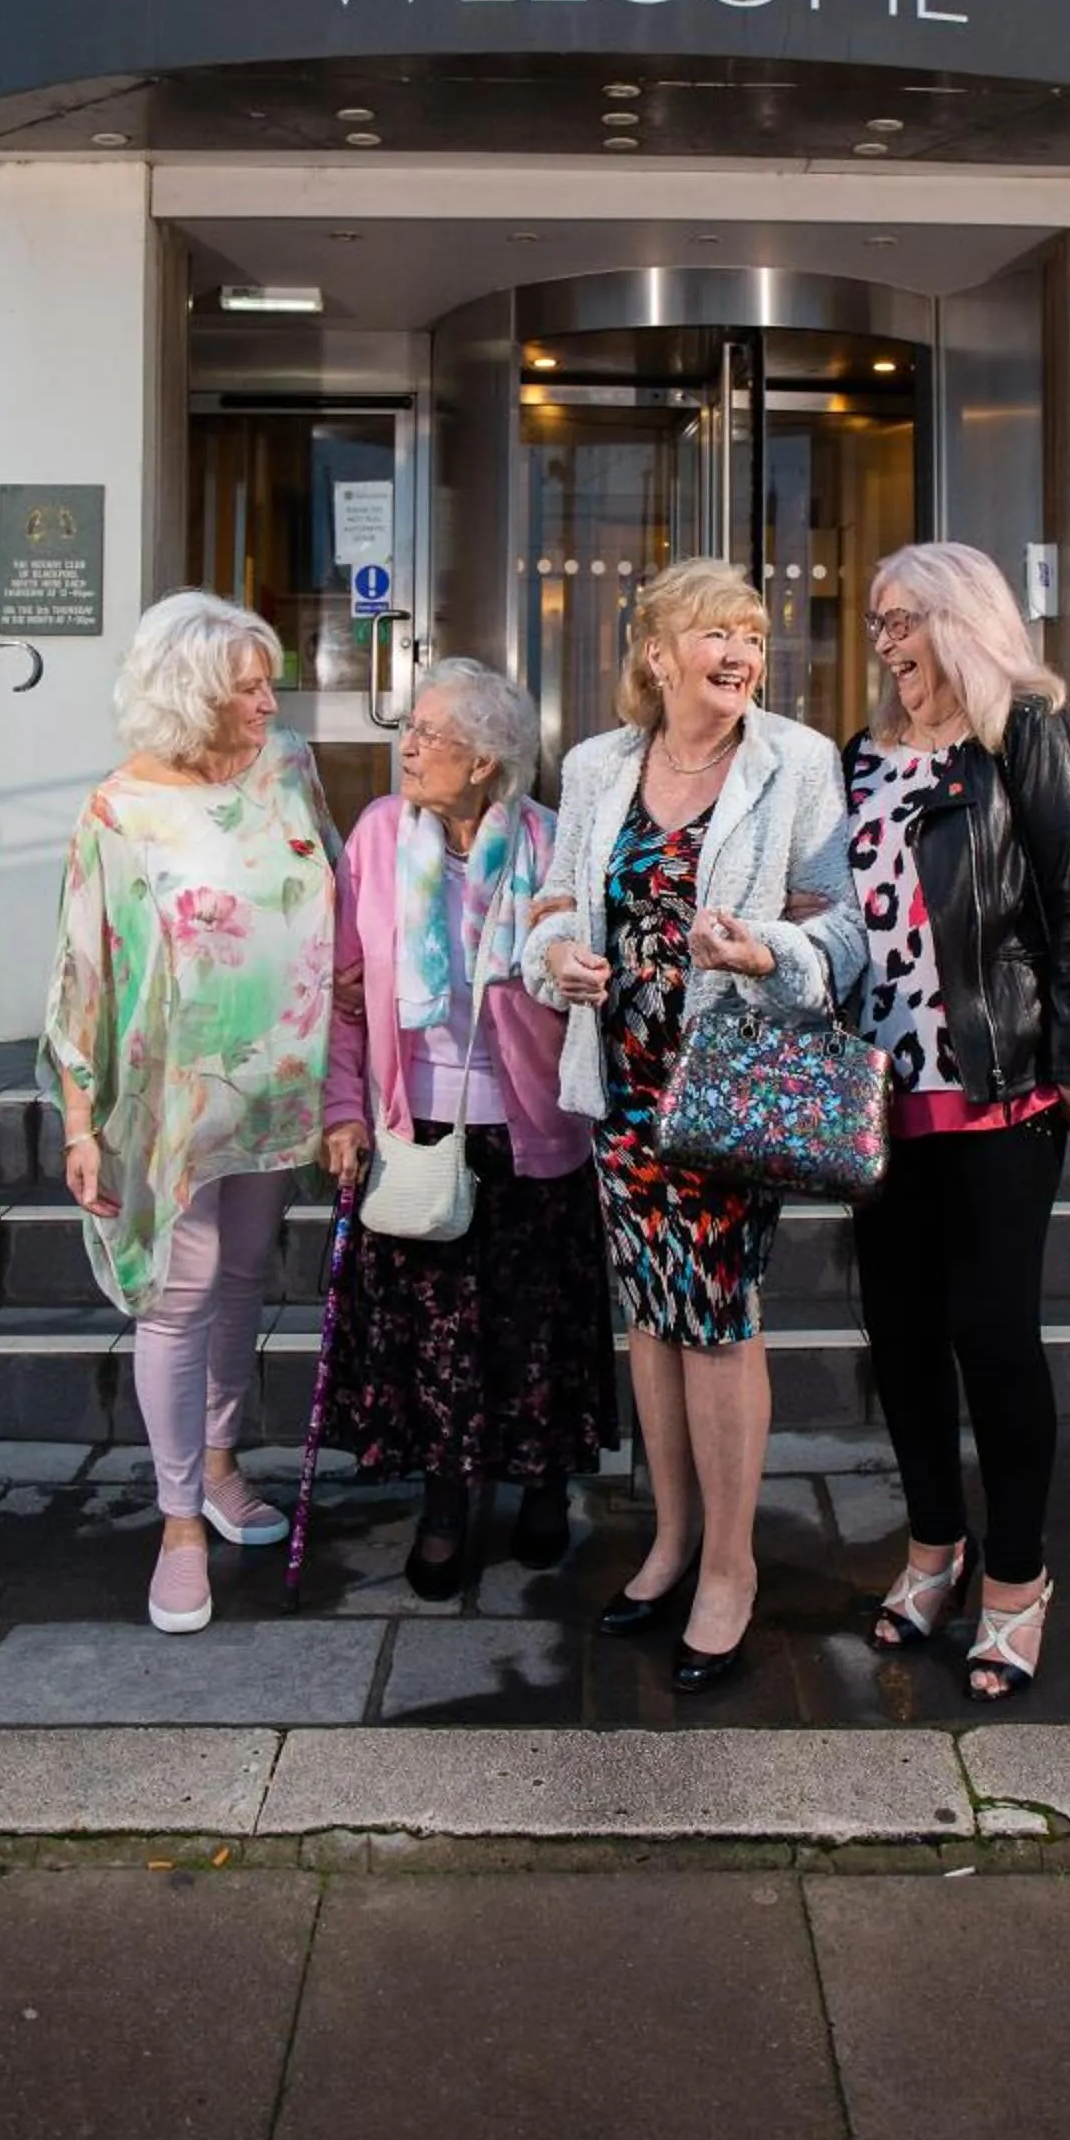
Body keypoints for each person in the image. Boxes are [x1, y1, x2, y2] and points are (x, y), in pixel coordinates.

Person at [525, 558, 864, 1694]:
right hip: (618, 1085)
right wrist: (555, 958)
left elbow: (844, 931)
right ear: (656, 652)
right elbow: (555, 906)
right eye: (714, 631)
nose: (739, 652)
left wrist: (765, 953)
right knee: (651, 1319)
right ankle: (670, 1540)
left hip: (722, 1090)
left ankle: (729, 1567)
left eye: (752, 635)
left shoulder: (794, 763)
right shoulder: (596, 766)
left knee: (715, 1319)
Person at [844, 542, 1070, 1703]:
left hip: (999, 1087)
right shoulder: (855, 760)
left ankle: (1014, 1580)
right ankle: (931, 1548)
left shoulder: (1024, 736)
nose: (883, 641)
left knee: (992, 1333)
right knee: (898, 1333)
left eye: (899, 617)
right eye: (873, 623)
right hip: (878, 1099)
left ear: (959, 618)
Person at [42, 590, 337, 1636]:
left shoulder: (288, 765)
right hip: (172, 1099)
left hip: (277, 1087)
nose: (268, 702)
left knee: (249, 1275)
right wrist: (80, 1124)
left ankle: (219, 1465)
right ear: (188, 695)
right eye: (245, 688)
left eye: (268, 684)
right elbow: (83, 974)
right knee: (180, 1291)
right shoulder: (119, 811)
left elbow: (332, 894)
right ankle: (176, 1524)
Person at [319, 659, 617, 1595]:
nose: (406, 745)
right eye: (408, 728)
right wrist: (341, 1109)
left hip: (532, 1132)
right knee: (436, 1335)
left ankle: (542, 1486)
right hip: (419, 1129)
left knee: (537, 1330)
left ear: (486, 760)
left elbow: (590, 987)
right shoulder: (375, 837)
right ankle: (446, 1503)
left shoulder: (553, 846)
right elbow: (344, 990)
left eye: (429, 732)